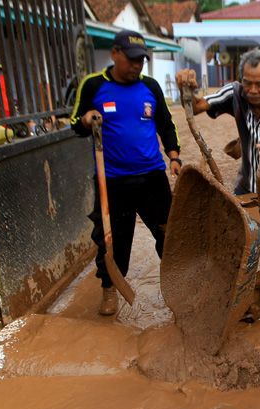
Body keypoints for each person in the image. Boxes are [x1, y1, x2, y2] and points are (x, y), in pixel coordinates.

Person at [176, 49, 260, 319]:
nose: (253, 89)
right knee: (240, 241)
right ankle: (239, 294)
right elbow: (199, 106)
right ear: (241, 80)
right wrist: (187, 89)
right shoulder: (234, 94)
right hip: (247, 186)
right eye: (248, 82)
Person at [70, 30, 181, 316]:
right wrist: (86, 119)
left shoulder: (151, 87)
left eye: (141, 61)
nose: (136, 66)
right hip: (113, 182)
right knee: (112, 240)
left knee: (170, 236)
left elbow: (166, 124)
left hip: (153, 178)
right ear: (115, 54)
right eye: (131, 60)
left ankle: (179, 288)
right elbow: (75, 123)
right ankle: (110, 290)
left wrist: (174, 156)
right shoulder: (94, 85)